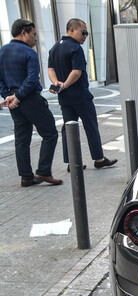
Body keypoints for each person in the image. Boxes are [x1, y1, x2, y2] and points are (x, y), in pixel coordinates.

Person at [48, 18, 117, 171]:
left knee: (68, 128)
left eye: (87, 33)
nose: (85, 36)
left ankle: (71, 162)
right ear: (71, 30)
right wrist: (65, 84)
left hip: (64, 97)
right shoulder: (75, 48)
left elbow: (50, 69)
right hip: (79, 94)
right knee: (90, 125)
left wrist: (58, 84)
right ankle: (99, 158)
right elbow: (77, 72)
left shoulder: (54, 48)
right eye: (83, 32)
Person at [0, 19, 62, 187]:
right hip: (29, 99)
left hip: (14, 101)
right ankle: (43, 172)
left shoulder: (2, 51)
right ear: (23, 33)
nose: (35, 39)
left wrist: (9, 97)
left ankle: (26, 177)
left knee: (22, 139)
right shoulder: (29, 53)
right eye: (34, 35)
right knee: (50, 133)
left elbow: (0, 80)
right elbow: (31, 79)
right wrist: (18, 97)